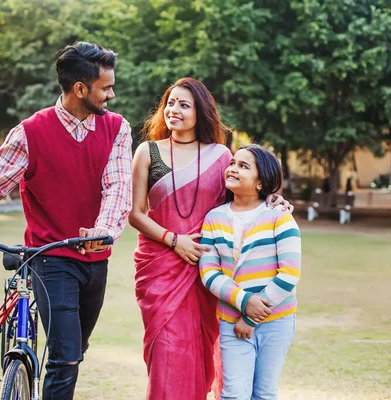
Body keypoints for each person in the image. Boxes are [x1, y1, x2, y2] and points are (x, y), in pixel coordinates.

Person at [0, 42, 133, 399]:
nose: (112, 94)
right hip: (50, 256)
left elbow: (117, 187)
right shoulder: (29, 132)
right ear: (80, 88)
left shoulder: (117, 129)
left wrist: (104, 229)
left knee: (75, 349)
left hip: (95, 260)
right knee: (65, 357)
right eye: (106, 87)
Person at [129, 78, 292, 400]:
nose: (174, 110)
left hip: (207, 267)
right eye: (170, 103)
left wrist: (274, 200)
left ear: (200, 112)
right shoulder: (147, 151)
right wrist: (174, 240)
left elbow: (244, 192)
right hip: (161, 268)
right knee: (165, 353)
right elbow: (135, 214)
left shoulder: (220, 156)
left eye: (183, 105)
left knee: (201, 352)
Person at [199, 144, 301, 400]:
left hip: (276, 321)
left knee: (264, 393)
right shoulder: (213, 218)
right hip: (231, 321)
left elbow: (289, 274)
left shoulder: (279, 217)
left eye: (244, 166)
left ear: (260, 182)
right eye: (233, 162)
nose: (232, 168)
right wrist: (244, 302)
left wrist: (253, 317)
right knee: (233, 394)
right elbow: (209, 272)